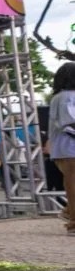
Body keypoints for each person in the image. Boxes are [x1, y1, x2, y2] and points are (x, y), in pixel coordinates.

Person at [46, 62, 75, 234]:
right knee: (72, 182)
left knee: (71, 182)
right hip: (69, 146)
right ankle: (73, 219)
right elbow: (69, 122)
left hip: (65, 147)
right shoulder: (66, 97)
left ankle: (68, 213)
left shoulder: (63, 96)